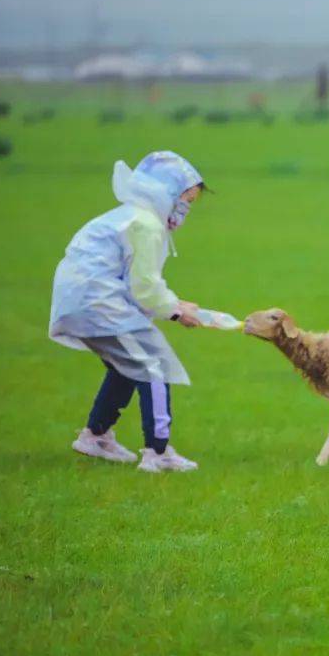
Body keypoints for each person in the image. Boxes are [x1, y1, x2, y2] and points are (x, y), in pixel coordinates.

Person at [49, 151, 208, 473]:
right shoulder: (146, 224)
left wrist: (174, 305)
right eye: (185, 199)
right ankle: (158, 453)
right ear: (165, 191)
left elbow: (137, 284)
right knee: (154, 366)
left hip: (82, 301)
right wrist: (176, 312)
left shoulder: (127, 216)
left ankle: (95, 436)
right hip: (100, 304)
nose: (186, 209)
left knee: (127, 365)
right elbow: (145, 287)